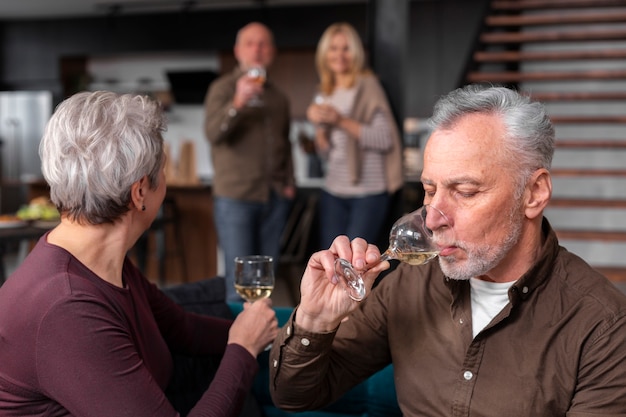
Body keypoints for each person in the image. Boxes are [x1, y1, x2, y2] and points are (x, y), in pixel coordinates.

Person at [268, 84, 626, 416]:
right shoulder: (406, 285)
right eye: (429, 190)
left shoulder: (604, 327)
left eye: (465, 191)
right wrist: (314, 322)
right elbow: (294, 396)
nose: (433, 218)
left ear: (534, 194)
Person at [0, 91, 278, 417]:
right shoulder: (67, 306)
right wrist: (243, 349)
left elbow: (183, 329)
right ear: (140, 191)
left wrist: (274, 333)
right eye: (163, 176)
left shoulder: (101, 261)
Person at [204, 22, 295, 303]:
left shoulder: (279, 97)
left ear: (272, 52)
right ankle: (239, 346)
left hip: (275, 198)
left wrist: (290, 183)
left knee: (265, 281)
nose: (257, 49)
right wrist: (237, 103)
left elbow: (285, 142)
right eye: (250, 43)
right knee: (239, 284)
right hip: (236, 198)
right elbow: (213, 133)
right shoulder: (222, 88)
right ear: (237, 50)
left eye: (263, 43)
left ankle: (264, 343)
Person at [306, 22, 403, 250]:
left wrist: (340, 120)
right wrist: (319, 129)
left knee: (355, 262)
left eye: (346, 48)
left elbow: (384, 138)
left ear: (356, 53)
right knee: (333, 260)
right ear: (324, 53)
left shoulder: (368, 86)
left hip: (367, 193)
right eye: (334, 48)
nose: (339, 54)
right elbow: (327, 152)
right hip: (333, 190)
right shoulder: (324, 91)